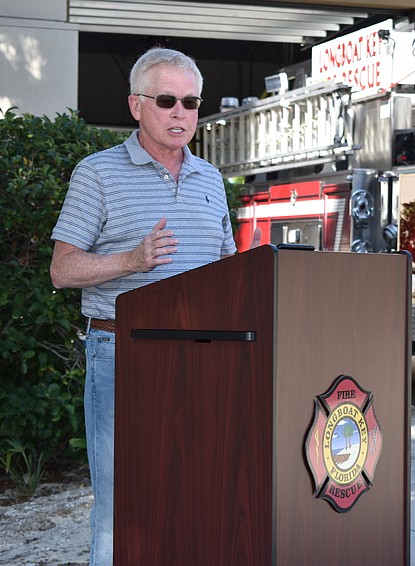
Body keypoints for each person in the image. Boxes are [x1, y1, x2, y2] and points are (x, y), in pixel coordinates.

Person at [49, 47, 258, 566]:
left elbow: (225, 266)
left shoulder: (211, 179)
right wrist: (131, 260)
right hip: (122, 352)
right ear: (135, 105)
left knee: (199, 492)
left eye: (191, 101)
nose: (181, 112)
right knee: (122, 500)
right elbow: (62, 270)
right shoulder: (96, 174)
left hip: (206, 356)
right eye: (167, 100)